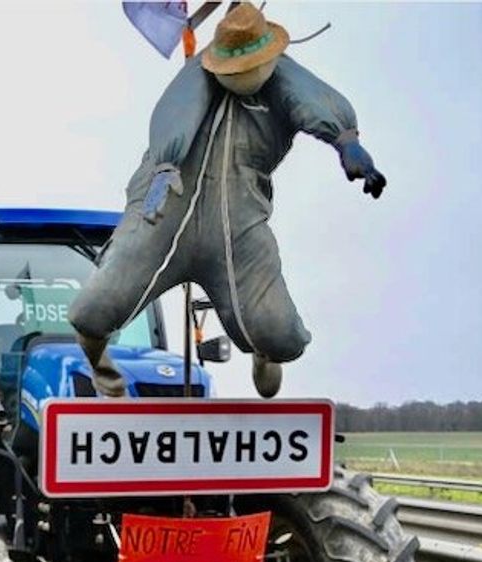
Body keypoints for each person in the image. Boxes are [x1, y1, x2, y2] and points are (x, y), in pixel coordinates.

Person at [69, 3, 386, 398]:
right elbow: (174, 112)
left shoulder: (282, 83)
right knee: (95, 308)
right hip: (166, 212)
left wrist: (346, 142)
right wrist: (165, 167)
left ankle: (263, 351)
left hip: (238, 225)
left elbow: (311, 98)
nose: (245, 75)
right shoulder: (198, 75)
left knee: (281, 334)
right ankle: (100, 365)